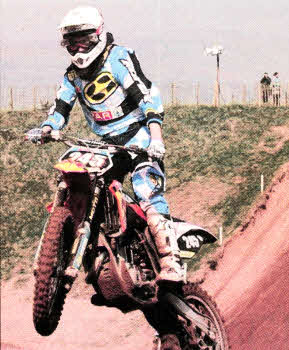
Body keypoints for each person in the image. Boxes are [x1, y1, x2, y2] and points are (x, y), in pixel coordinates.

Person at [40, 6, 183, 284]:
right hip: (107, 145)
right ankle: (96, 259)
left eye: (83, 40)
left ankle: (171, 263)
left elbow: (146, 95)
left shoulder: (118, 57)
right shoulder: (72, 77)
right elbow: (60, 106)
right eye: (71, 43)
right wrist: (48, 127)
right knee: (86, 184)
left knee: (146, 189)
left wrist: (156, 137)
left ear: (97, 35)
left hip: (139, 137)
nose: (78, 48)